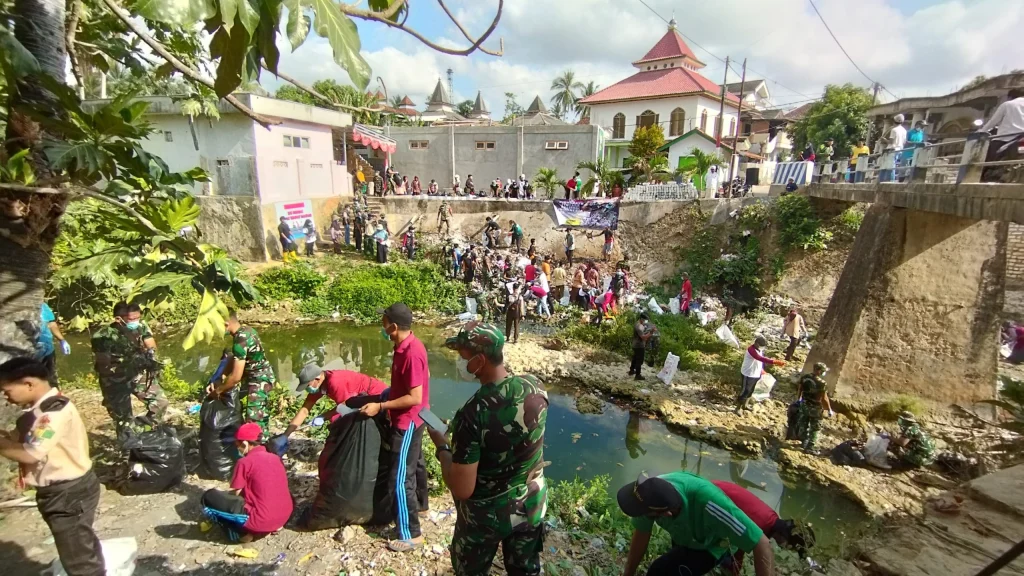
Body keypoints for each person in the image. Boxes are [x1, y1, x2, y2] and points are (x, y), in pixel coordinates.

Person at [427, 322, 549, 576]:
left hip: (487, 515)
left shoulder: (472, 414)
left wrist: (442, 446)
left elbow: (462, 488)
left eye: (462, 356)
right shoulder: (535, 386)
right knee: (525, 570)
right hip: (530, 501)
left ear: (479, 360)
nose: (459, 361)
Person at [0, 357, 105, 576]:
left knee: (78, 559)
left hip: (67, 493)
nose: (6, 397)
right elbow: (29, 441)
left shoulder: (52, 414)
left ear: (29, 384)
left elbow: (33, 453)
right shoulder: (41, 409)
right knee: (80, 544)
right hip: (66, 490)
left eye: (6, 390)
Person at [360, 303, 431, 551]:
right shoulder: (404, 346)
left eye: (384, 321)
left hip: (407, 420)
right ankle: (420, 507)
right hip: (415, 418)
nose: (382, 325)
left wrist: (381, 407)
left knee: (400, 479)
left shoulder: (411, 352)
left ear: (394, 325)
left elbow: (414, 396)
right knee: (415, 466)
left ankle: (410, 534)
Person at [617, 472, 776, 576]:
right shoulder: (647, 495)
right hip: (684, 535)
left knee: (659, 572)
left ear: (666, 514)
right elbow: (641, 535)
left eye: (643, 513)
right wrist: (628, 573)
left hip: (712, 545)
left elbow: (761, 543)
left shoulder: (710, 503)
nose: (640, 514)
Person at [201, 422, 293, 542]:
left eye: (237, 445)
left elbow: (236, 494)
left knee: (208, 497)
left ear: (244, 443)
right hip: (285, 515)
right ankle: (275, 525)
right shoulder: (275, 458)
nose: (237, 448)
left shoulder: (245, 462)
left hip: (262, 520)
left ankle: (241, 534)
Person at [91, 302, 167, 436]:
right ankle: (127, 448)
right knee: (124, 420)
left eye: (137, 318)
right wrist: (126, 363)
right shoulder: (103, 336)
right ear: (119, 319)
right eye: (131, 319)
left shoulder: (141, 327)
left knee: (160, 403)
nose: (136, 322)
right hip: (114, 380)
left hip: (136, 374)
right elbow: (104, 365)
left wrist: (150, 355)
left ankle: (148, 432)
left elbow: (150, 344)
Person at [711, 480, 815, 570]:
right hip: (711, 496)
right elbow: (738, 549)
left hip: (716, 488)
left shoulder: (772, 519)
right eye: (791, 547)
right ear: (785, 536)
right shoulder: (760, 526)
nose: (787, 549)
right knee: (722, 555)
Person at [208, 310, 277, 438]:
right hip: (259, 375)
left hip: (259, 380)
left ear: (225, 324)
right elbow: (235, 357)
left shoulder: (240, 340)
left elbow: (235, 378)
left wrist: (218, 391)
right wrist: (222, 376)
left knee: (255, 418)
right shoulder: (246, 330)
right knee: (251, 412)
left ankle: (260, 448)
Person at [281, 364, 388, 439]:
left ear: (317, 378)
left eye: (307, 385)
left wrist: (323, 416)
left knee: (339, 422)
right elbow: (304, 410)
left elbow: (345, 407)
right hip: (356, 400)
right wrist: (285, 435)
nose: (307, 389)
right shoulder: (319, 386)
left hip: (376, 394)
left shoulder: (335, 382)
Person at [735, 336, 785, 413]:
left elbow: (759, 362)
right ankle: (738, 408)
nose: (762, 348)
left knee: (751, 390)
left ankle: (745, 405)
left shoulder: (759, 350)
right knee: (745, 390)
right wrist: (774, 362)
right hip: (748, 373)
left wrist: (761, 370)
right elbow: (760, 358)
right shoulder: (751, 350)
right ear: (756, 344)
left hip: (756, 373)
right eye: (761, 346)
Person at [796, 362, 834, 454]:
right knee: (815, 428)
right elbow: (824, 398)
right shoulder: (822, 383)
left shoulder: (805, 377)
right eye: (823, 371)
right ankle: (810, 447)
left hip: (804, 404)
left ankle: (803, 442)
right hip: (815, 408)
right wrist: (829, 409)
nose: (824, 373)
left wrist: (799, 400)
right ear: (819, 371)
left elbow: (800, 389)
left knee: (803, 423)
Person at [37, 301, 70, 386]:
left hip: (47, 349)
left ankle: (54, 397)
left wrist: (62, 340)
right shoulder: (14, 305)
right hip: (26, 351)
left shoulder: (42, 305)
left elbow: (52, 324)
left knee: (51, 379)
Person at [629, 312, 653, 380]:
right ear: (642, 319)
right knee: (639, 360)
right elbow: (643, 337)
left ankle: (631, 370)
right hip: (639, 345)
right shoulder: (639, 326)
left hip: (635, 344)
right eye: (645, 320)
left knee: (635, 358)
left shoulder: (639, 324)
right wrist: (651, 333)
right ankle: (638, 375)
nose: (646, 321)